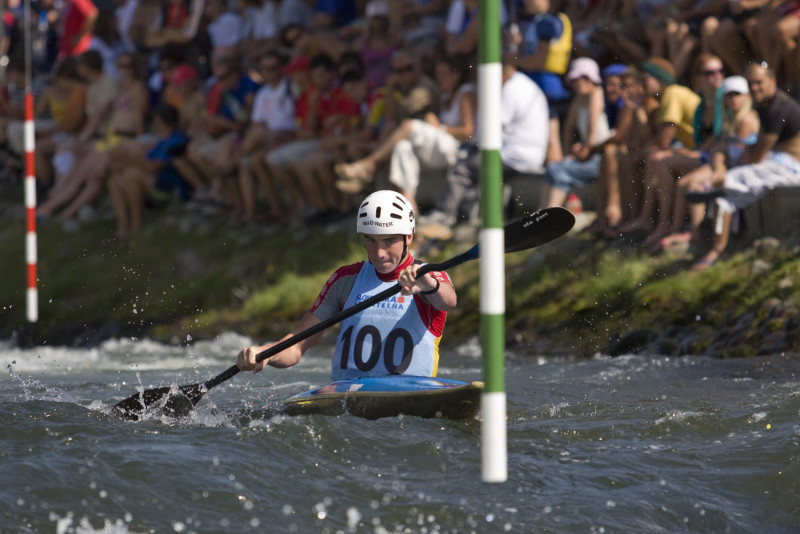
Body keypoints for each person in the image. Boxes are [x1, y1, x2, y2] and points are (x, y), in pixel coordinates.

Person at [236, 190, 457, 379]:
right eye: (371, 240)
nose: (379, 253)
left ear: (408, 237)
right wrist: (263, 353)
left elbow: (448, 301)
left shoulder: (429, 276)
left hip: (409, 395)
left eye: (389, 241)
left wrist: (428, 285)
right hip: (347, 398)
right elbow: (294, 347)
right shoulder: (346, 279)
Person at [416, 56, 549, 241]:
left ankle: (442, 216)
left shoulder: (512, 90)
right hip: (522, 153)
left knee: (463, 167)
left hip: (516, 156)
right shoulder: (521, 85)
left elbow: (492, 131)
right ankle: (460, 216)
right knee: (471, 162)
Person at [333, 54, 477, 215]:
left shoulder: (465, 93)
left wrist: (439, 127)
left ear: (456, 74)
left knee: (408, 126)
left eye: (443, 74)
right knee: (402, 147)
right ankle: (408, 211)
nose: (440, 79)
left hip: (459, 150)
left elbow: (468, 132)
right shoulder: (446, 96)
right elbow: (391, 117)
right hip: (438, 146)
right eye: (438, 75)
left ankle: (368, 165)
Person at [692, 61, 800, 269]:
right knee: (726, 201)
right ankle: (718, 249)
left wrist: (733, 163)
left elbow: (757, 157)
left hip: (791, 166)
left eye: (759, 83)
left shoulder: (779, 107)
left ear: (772, 81)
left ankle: (720, 185)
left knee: (737, 178)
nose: (755, 88)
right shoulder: (766, 106)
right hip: (775, 164)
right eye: (751, 84)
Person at [661, 74, 759, 251]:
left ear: (747, 96)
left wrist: (719, 163)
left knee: (694, 185)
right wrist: (718, 160)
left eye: (738, 94)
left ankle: (696, 235)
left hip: (734, 168)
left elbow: (736, 155)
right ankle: (679, 230)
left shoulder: (746, 119)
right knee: (684, 183)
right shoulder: (731, 119)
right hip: (725, 164)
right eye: (730, 95)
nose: (734, 99)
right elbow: (722, 149)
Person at [539, 57, 611, 210]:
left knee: (558, 171)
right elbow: (568, 129)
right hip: (591, 154)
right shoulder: (579, 99)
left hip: (600, 156)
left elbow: (593, 127)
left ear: (592, 79)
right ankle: (542, 213)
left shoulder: (597, 93)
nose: (580, 82)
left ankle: (549, 213)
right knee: (554, 168)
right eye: (576, 79)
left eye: (584, 78)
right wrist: (568, 152)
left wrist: (587, 148)